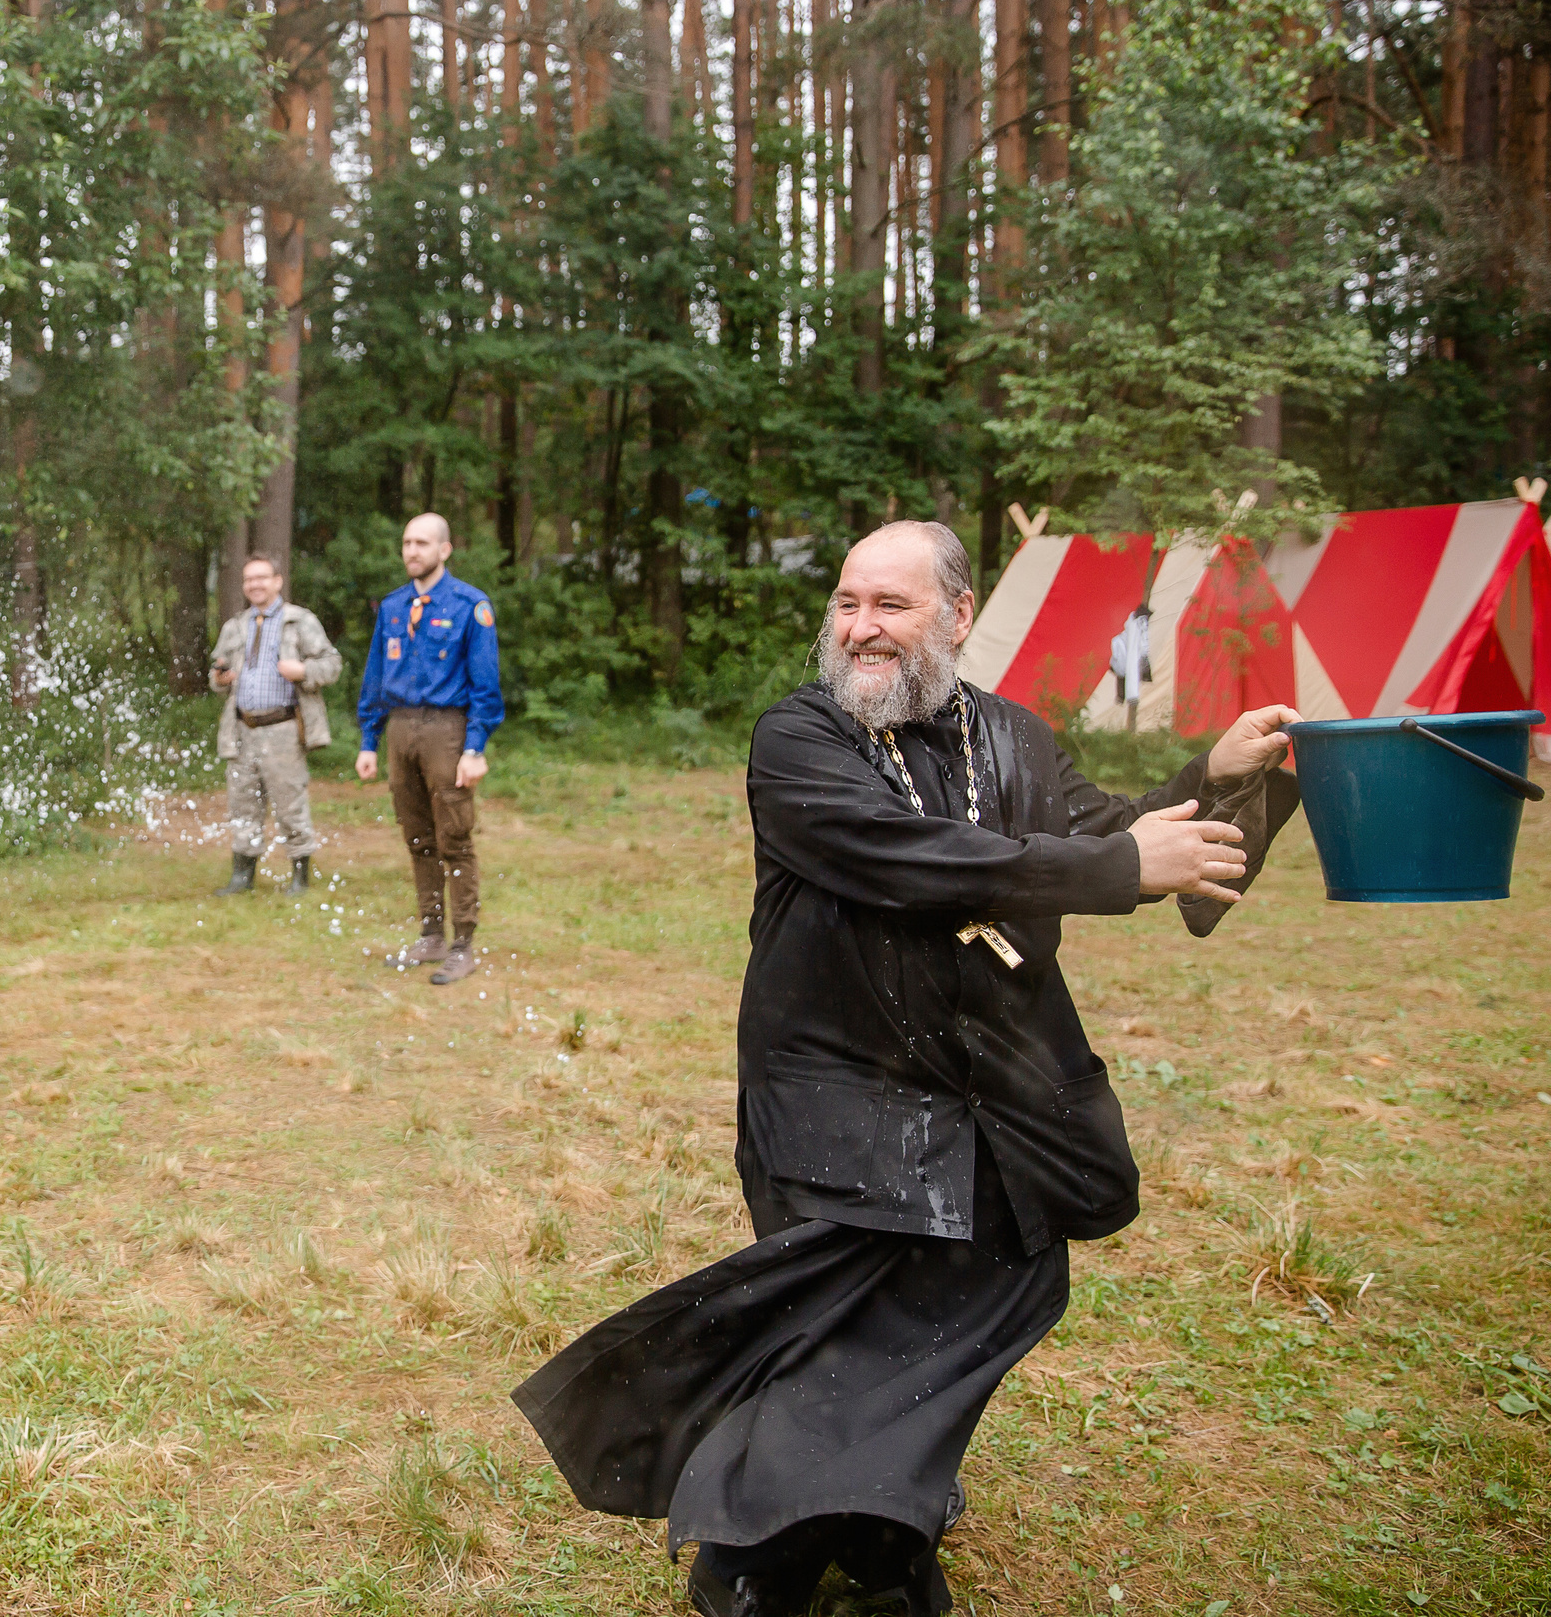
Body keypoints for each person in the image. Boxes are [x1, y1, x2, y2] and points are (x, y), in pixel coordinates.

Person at [512, 522, 1305, 1617]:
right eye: (845, 604)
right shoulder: (799, 738)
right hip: (832, 1096)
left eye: (889, 605)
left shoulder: (1014, 741)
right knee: (834, 1335)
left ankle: (872, 1526)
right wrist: (1118, 864)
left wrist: (1210, 777)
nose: (859, 628)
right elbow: (905, 858)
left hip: (986, 1100)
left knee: (996, 1291)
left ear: (960, 615)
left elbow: (1108, 836)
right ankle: (764, 1560)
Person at [353, 513, 502, 987]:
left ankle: (462, 944)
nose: (412, 551)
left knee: (453, 836)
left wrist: (474, 747)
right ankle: (431, 932)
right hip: (400, 728)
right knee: (417, 836)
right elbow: (375, 676)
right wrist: (368, 740)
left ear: (445, 549)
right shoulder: (394, 607)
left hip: (446, 729)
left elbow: (486, 684)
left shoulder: (469, 606)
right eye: (406, 543)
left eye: (422, 543)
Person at [208, 553, 343, 897]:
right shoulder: (235, 626)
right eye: (249, 579)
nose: (255, 584)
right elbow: (215, 677)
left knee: (289, 803)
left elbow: (332, 665)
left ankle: (300, 876)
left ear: (277, 581)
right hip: (241, 729)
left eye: (262, 578)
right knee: (243, 804)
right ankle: (242, 876)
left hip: (283, 726)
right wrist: (221, 678)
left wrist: (303, 671)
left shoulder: (299, 621)